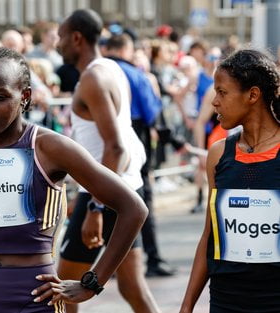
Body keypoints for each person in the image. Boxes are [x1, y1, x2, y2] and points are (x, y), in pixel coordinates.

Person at [0, 47, 148, 312]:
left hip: (36, 296)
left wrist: (92, 282)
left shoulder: (50, 148)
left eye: (0, 96)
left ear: (25, 97)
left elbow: (133, 208)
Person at [55, 9, 160, 313]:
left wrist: (95, 207)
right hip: (125, 189)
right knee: (133, 288)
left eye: (62, 38)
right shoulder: (111, 68)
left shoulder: (93, 78)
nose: (58, 45)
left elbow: (115, 148)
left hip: (106, 193)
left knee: (61, 289)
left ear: (76, 38)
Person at [180, 49, 280, 313]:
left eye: (222, 92)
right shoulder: (218, 153)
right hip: (226, 299)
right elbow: (209, 235)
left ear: (253, 95)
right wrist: (187, 305)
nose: (215, 102)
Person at [104, 33, 176, 278]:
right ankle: (152, 258)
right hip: (134, 138)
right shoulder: (135, 75)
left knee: (109, 200)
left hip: (105, 142)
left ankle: (111, 264)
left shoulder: (98, 71)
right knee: (142, 201)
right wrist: (171, 139)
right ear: (126, 48)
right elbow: (151, 112)